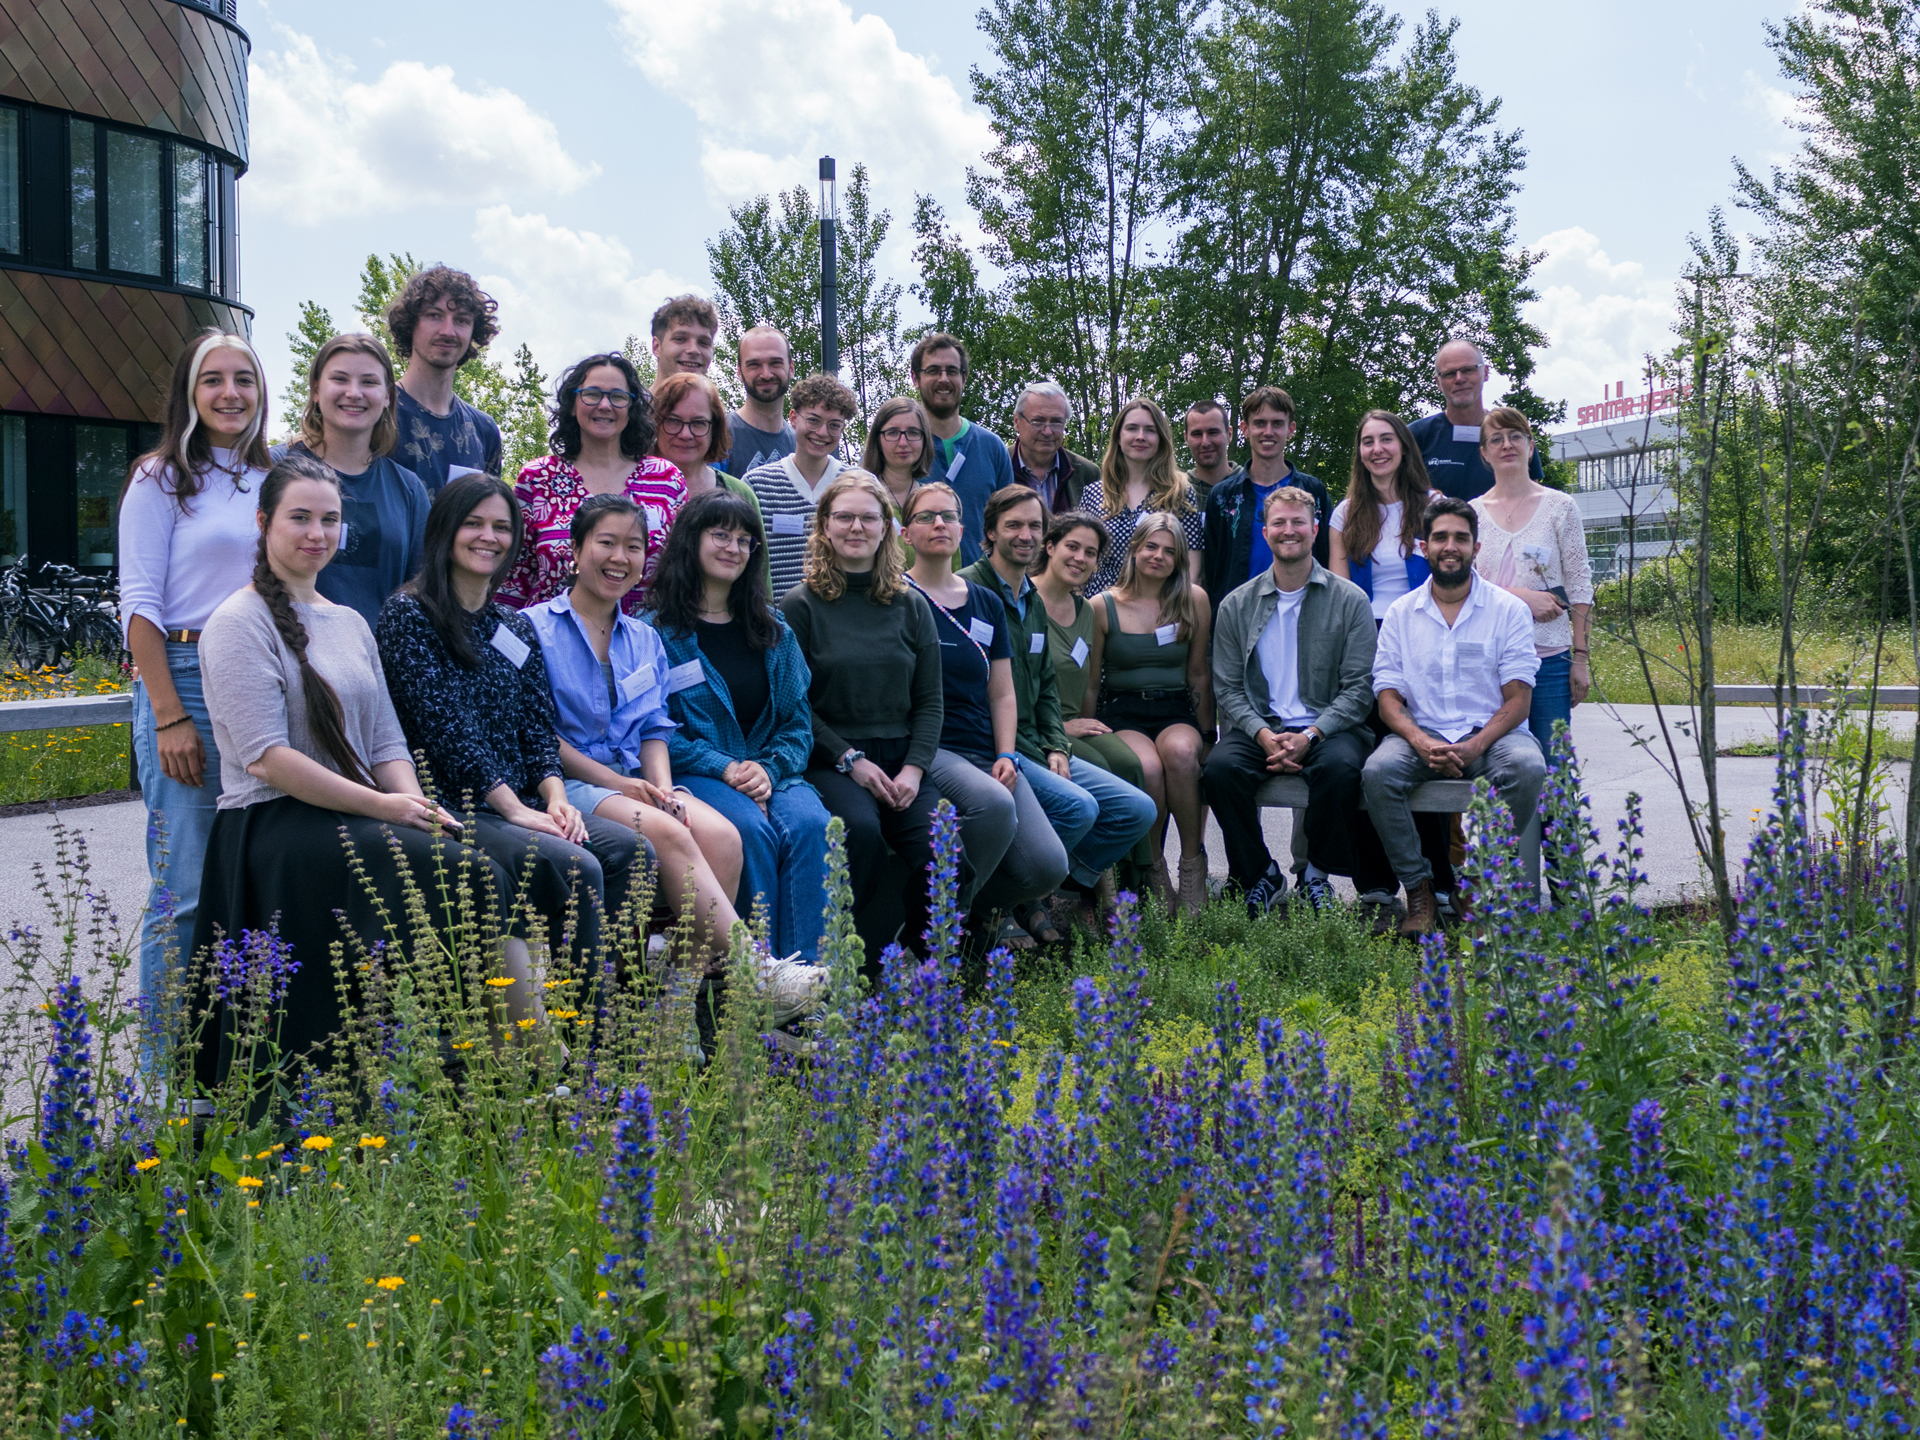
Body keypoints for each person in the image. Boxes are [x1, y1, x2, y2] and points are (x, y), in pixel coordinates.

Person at [192, 453, 533, 1087]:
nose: (317, 534)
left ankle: (503, 1062)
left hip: (351, 814)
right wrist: (386, 808)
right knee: (471, 874)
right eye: (300, 518)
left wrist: (418, 807)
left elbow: (385, 739)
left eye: (330, 519)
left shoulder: (348, 622)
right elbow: (269, 760)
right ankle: (512, 1066)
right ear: (264, 522)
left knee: (498, 860)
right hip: (276, 829)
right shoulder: (238, 622)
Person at [526, 494, 820, 1011]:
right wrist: (632, 785)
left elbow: (655, 727)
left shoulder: (641, 638)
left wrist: (662, 787)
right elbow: (537, 734)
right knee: (673, 829)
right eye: (607, 543)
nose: (620, 557)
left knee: (724, 839)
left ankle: (679, 1008)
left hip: (640, 778)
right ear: (574, 550)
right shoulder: (532, 629)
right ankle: (761, 974)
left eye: (633, 546)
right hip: (570, 780)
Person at [377, 474, 645, 967]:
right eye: (473, 523)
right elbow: (445, 729)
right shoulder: (409, 615)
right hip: (456, 805)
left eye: (502, 527)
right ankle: (581, 1022)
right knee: (578, 865)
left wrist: (556, 798)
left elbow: (536, 724)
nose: (489, 537)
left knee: (633, 850)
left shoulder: (512, 624)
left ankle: (617, 996)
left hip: (521, 800)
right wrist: (515, 809)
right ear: (445, 531)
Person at [118, 329, 274, 1005]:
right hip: (184, 674)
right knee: (183, 886)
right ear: (190, 392)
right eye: (213, 379)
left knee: (256, 877)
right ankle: (160, 1082)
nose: (230, 393)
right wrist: (169, 714)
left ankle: (231, 1068)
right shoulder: (160, 477)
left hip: (262, 673)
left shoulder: (278, 476)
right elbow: (139, 604)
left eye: (244, 379)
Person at [647, 489, 837, 968]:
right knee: (749, 829)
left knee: (812, 824)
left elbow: (797, 721)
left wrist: (768, 769)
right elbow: (655, 730)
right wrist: (726, 767)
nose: (733, 547)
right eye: (720, 535)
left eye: (745, 540)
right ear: (691, 541)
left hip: (773, 770)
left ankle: (808, 983)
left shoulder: (774, 628)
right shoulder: (654, 632)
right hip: (699, 776)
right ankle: (758, 983)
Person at [960, 489, 1156, 940]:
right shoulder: (970, 590)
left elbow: (1047, 684)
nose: (1026, 535)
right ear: (990, 532)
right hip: (992, 744)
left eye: (1033, 525)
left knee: (1135, 808)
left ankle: (1029, 893)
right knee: (1078, 807)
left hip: (1036, 741)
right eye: (1014, 525)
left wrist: (1056, 745)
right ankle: (994, 907)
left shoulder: (1028, 598)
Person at [1201, 485, 1395, 918]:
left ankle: (1315, 876)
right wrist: (1265, 735)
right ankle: (1260, 874)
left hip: (1329, 726)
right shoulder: (1236, 604)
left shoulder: (1350, 600)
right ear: (1265, 532)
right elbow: (1228, 687)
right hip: (1260, 726)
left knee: (1341, 769)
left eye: (1298, 523)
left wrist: (1310, 734)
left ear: (1314, 529)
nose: (1289, 531)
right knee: (1218, 771)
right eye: (1279, 523)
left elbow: (1360, 686)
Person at [780, 470, 947, 969]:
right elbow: (793, 704)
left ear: (887, 529)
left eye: (868, 517)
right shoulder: (800, 604)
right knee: (859, 832)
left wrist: (915, 769)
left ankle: (928, 960)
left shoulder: (911, 604)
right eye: (844, 517)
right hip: (830, 757)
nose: (856, 527)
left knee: (944, 844)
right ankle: (852, 959)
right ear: (825, 528)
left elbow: (931, 699)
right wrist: (848, 758)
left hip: (902, 757)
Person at [1363, 496, 1546, 937]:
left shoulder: (1508, 610)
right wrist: (1419, 740)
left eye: (1461, 538)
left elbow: (1519, 698)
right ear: (1423, 547)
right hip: (1421, 733)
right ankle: (1419, 889)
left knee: (1528, 766)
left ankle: (1479, 881)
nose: (1451, 546)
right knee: (1376, 773)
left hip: (1493, 735)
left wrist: (1475, 745)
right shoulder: (1401, 614)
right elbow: (1387, 696)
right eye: (1440, 537)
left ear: (1476, 548)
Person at [903, 481, 1068, 945]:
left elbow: (1002, 693)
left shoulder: (986, 602)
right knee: (992, 805)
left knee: (1047, 866)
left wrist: (1007, 753)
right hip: (930, 745)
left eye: (949, 516)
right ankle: (933, 934)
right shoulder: (896, 596)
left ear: (963, 528)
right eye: (926, 516)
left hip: (984, 747)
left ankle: (969, 913)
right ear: (904, 533)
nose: (939, 524)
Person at [1328, 408, 1456, 912]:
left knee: (1418, 757)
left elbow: (1453, 583)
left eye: (1386, 439)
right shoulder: (1345, 513)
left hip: (1419, 638)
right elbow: (1340, 591)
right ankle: (1376, 887)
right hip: (1364, 640)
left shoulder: (1434, 505)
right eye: (1366, 441)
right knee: (1367, 762)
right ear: (1359, 452)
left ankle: (1438, 882)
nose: (1376, 449)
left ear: (1403, 446)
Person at [1085, 514, 1214, 915]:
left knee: (1179, 755)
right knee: (1147, 767)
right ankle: (1153, 869)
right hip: (1123, 710)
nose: (1158, 556)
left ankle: (1192, 867)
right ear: (1135, 549)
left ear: (1179, 559)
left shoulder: (1193, 599)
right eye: (1151, 547)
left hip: (1175, 706)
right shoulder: (1102, 606)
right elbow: (1091, 682)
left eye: (1170, 551)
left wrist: (1208, 735)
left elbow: (1197, 672)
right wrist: (1084, 735)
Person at [1032, 511, 1161, 902]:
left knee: (1129, 765)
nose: (1080, 558)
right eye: (1072, 547)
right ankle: (1102, 894)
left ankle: (1132, 878)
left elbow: (1087, 681)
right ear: (1050, 546)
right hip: (1040, 727)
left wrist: (1084, 720)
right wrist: (1061, 729)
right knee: (1105, 769)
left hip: (1074, 721)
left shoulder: (1085, 609)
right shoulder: (1023, 601)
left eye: (1091, 553)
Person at [498, 352, 686, 612]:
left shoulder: (666, 478)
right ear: (573, 404)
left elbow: (686, 571)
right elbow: (512, 579)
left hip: (647, 644)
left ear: (632, 409)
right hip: (551, 643)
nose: (605, 405)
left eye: (618, 397)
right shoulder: (537, 478)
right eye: (592, 394)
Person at [274, 334, 431, 629]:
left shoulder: (409, 489)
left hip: (374, 664)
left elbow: (420, 596)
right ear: (316, 391)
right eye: (340, 379)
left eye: (369, 382)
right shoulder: (273, 468)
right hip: (287, 656)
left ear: (387, 397)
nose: (354, 392)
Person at [1469, 408, 1594, 752]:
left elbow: (1581, 585)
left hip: (1550, 660)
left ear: (1530, 445)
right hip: (1488, 661)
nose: (1506, 444)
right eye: (1496, 438)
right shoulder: (1471, 513)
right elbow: (1465, 586)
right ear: (1484, 452)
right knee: (1496, 768)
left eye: (1515, 436)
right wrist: (1521, 597)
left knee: (1554, 769)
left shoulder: (1560, 507)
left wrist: (1580, 659)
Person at [1200, 387, 1332, 617]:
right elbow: (1212, 569)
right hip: (1239, 616)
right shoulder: (1223, 497)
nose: (1268, 432)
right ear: (1245, 429)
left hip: (1305, 613)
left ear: (1291, 429)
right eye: (1260, 423)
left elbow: (1327, 558)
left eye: (1277, 424)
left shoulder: (1313, 492)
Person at [387, 265, 504, 494]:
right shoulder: (376, 410)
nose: (448, 331)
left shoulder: (484, 430)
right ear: (411, 324)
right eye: (434, 315)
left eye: (461, 320)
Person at [742, 373, 855, 598]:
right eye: (813, 420)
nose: (822, 432)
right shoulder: (756, 484)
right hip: (773, 623)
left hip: (841, 620)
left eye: (834, 425)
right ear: (793, 418)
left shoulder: (858, 484)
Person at [1083, 398, 1205, 596]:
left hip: (1158, 610)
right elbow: (1079, 558)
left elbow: (1191, 567)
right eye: (1132, 428)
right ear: (1118, 437)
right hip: (1100, 610)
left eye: (1150, 430)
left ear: (1161, 439)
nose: (1140, 436)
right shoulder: (1093, 494)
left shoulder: (1180, 493)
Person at [911, 333, 1012, 564]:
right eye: (933, 370)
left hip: (982, 591)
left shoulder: (992, 447)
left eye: (952, 371)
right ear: (915, 378)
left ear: (964, 378)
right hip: (912, 592)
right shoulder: (896, 446)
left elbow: (1009, 524)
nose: (943, 379)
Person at [1407, 337, 1544, 502]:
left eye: (1468, 370)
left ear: (1485, 372)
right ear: (1438, 383)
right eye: (1450, 373)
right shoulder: (1415, 437)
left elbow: (1533, 498)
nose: (1459, 379)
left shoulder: (1513, 434)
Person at [1010, 381, 1099, 513]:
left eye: (1056, 422)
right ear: (1017, 422)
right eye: (1038, 421)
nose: (1047, 431)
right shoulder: (997, 466)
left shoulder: (1087, 474)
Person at [720, 325, 796, 477]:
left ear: (791, 369)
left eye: (775, 363)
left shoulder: (800, 445)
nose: (766, 374)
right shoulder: (719, 436)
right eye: (754, 364)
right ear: (739, 372)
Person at [861, 394, 934, 518]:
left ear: (924, 439)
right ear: (877, 439)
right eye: (893, 433)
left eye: (913, 432)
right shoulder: (860, 497)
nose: (903, 443)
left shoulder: (933, 501)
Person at [650, 295, 719, 382]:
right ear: (656, 347)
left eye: (704, 342)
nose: (693, 350)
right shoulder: (631, 395)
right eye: (680, 339)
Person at [1182, 399, 1236, 494]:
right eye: (1197, 434)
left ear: (1229, 434)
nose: (1205, 443)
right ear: (1186, 438)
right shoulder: (1175, 495)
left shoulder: (1251, 487)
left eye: (1213, 432)